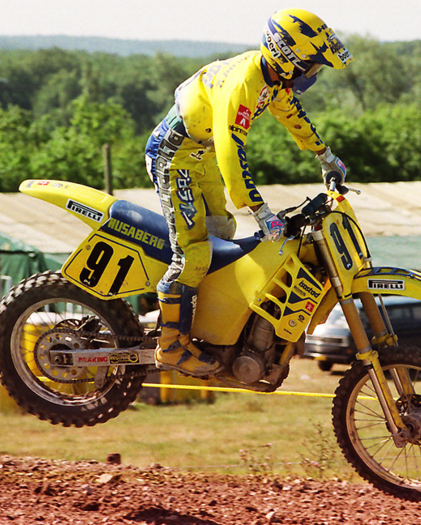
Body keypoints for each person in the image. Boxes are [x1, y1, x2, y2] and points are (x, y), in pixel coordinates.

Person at [145, 8, 353, 376]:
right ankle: (171, 345)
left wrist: (325, 156)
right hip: (174, 156)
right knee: (192, 254)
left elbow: (292, 115)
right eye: (312, 65)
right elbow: (231, 151)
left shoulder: (273, 80)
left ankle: (209, 330)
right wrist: (259, 210)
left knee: (221, 235)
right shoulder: (245, 83)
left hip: (202, 153)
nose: (314, 74)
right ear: (289, 58)